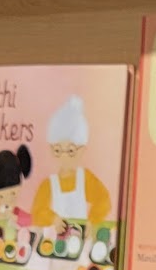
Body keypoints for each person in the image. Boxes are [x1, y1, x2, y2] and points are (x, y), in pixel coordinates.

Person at [31, 94, 112, 232]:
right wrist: (52, 219)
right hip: (54, 241)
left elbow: (104, 201)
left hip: (80, 238)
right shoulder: (48, 185)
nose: (64, 156)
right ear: (51, 149)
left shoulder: (85, 179)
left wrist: (92, 220)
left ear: (82, 150)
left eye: (70, 151)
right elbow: (37, 213)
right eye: (58, 150)